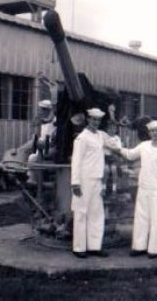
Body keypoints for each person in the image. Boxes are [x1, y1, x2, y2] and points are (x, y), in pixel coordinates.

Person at [113, 119, 157, 259]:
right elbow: (130, 155)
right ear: (149, 133)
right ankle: (139, 246)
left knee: (156, 219)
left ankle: (155, 249)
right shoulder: (144, 146)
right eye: (152, 131)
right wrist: (117, 147)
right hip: (143, 188)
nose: (155, 134)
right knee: (141, 218)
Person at [70, 107, 111, 258]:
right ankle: (79, 248)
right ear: (88, 119)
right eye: (93, 119)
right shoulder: (82, 138)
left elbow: (112, 144)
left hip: (97, 179)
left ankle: (94, 246)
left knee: (97, 213)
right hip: (84, 179)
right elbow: (76, 161)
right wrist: (75, 183)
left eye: (98, 120)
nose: (96, 122)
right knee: (81, 213)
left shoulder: (101, 136)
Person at [103, 121, 122, 195]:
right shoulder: (104, 137)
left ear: (116, 129)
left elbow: (118, 149)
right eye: (110, 128)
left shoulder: (117, 138)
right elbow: (102, 146)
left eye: (114, 128)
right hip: (105, 157)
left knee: (114, 170)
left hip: (114, 157)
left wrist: (109, 147)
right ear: (107, 129)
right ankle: (103, 188)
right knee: (106, 170)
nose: (112, 130)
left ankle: (114, 189)